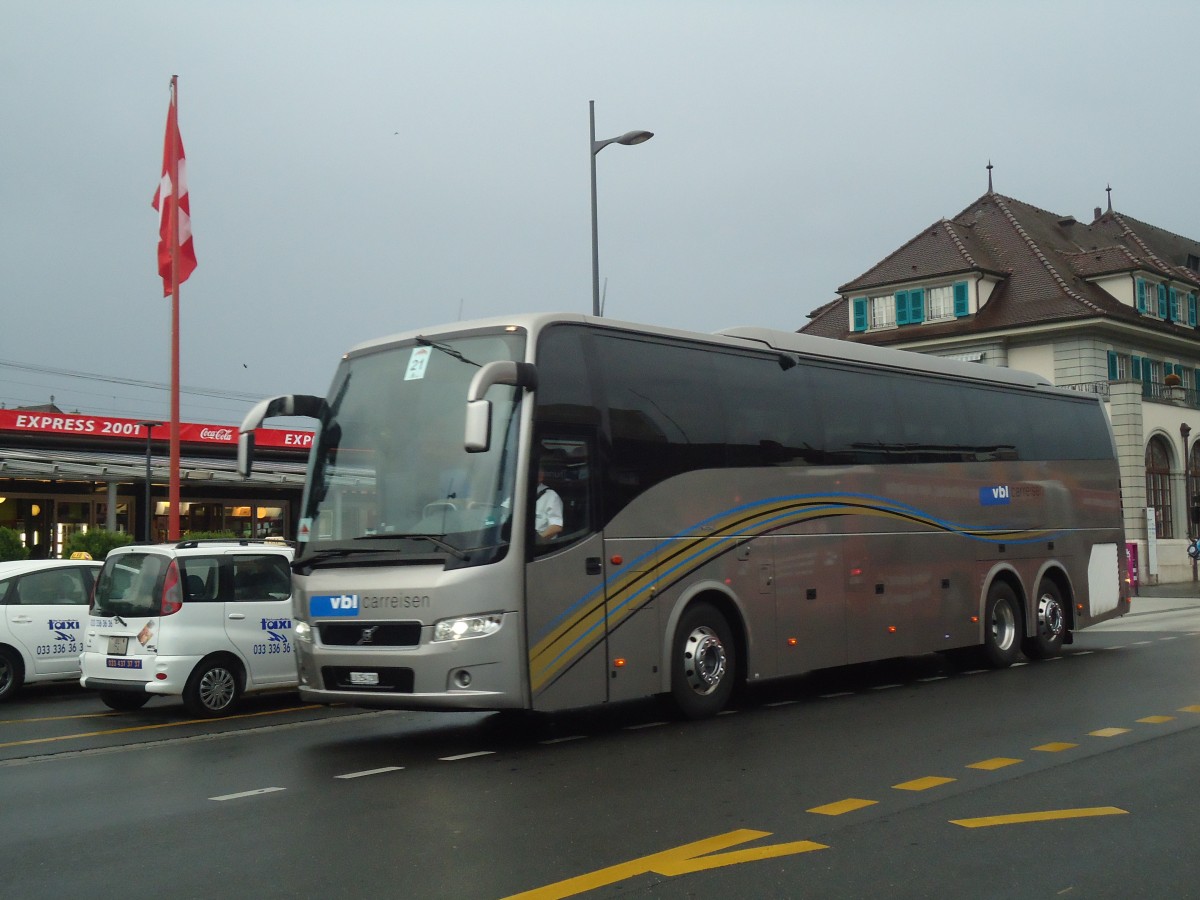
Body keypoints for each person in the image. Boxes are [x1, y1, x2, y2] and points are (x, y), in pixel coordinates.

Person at [535, 460, 563, 542]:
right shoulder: (516, 493)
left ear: (541, 476)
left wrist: (537, 542)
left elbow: (556, 527)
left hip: (542, 546)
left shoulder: (551, 496)